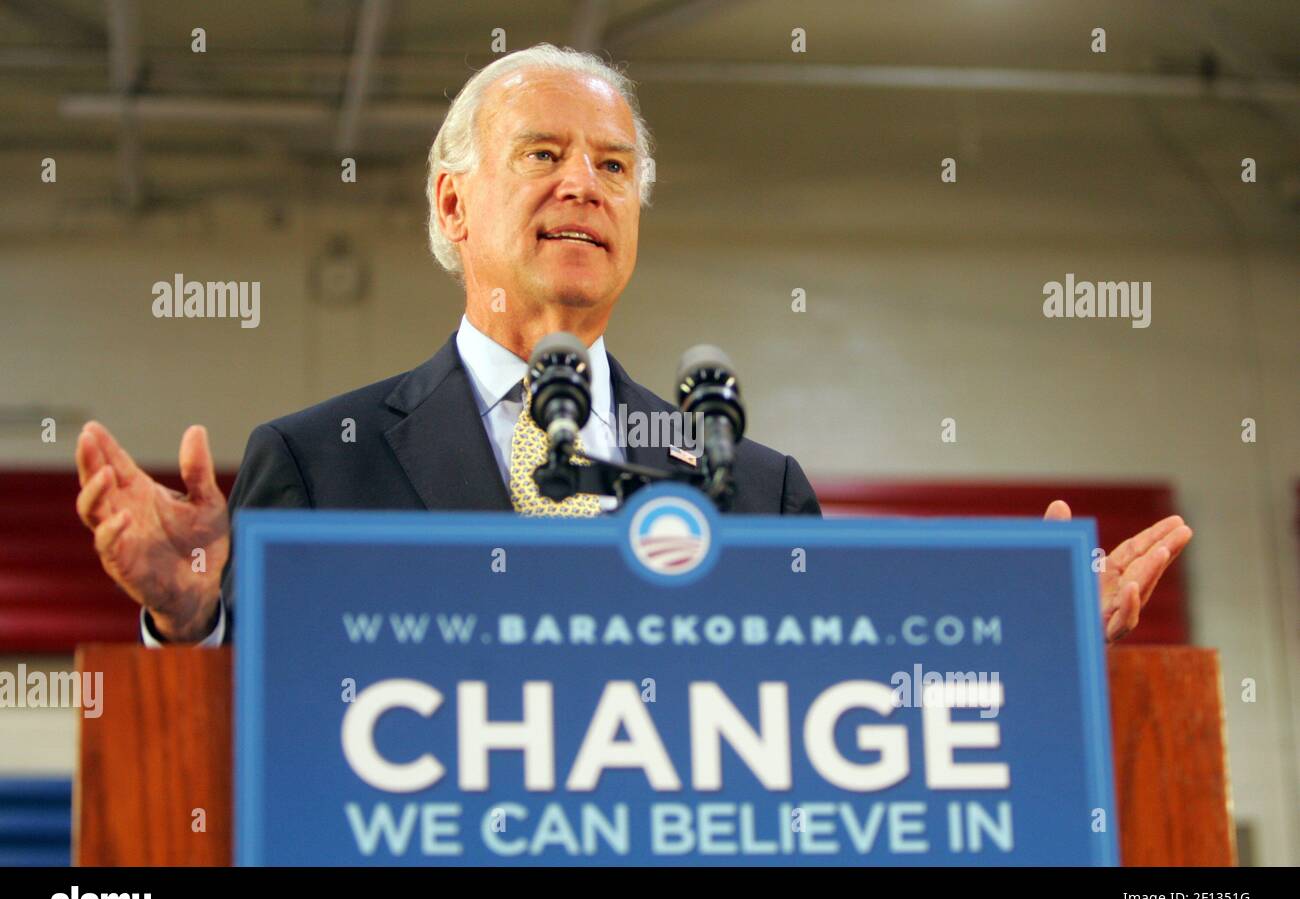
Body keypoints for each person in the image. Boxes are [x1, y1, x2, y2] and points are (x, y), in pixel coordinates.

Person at [73, 44, 1191, 648]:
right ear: (453, 204)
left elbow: (842, 701)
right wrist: (194, 617)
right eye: (544, 152)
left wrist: (1036, 640)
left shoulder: (754, 488)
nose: (583, 185)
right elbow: (242, 751)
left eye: (613, 166)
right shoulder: (319, 461)